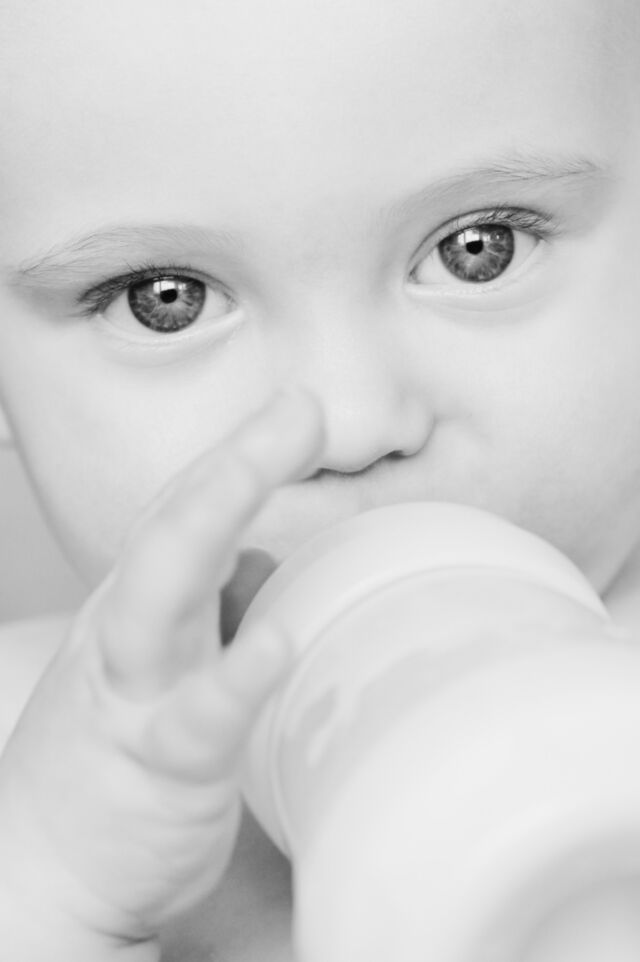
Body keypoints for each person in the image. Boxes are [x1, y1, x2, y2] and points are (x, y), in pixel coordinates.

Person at [0, 0, 639, 958]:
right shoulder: (30, 780)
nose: (350, 422)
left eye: (479, 249)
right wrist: (50, 896)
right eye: (166, 299)